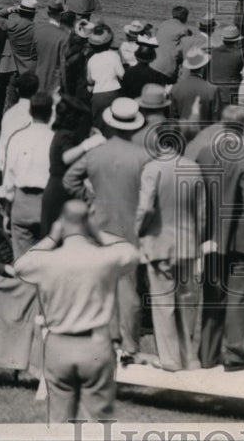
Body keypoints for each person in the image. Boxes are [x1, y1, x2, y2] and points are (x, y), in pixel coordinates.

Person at [14, 201, 139, 423]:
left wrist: (52, 238)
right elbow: (131, 252)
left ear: (62, 223)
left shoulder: (47, 260)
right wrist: (99, 234)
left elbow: (21, 265)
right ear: (87, 223)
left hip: (58, 344)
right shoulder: (103, 258)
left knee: (60, 422)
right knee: (98, 424)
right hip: (95, 343)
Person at [62, 98, 150, 364]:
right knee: (128, 286)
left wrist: (90, 201)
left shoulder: (96, 153)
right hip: (130, 226)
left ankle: (108, 337)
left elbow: (69, 179)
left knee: (103, 284)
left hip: (100, 224)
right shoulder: (143, 156)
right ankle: (130, 343)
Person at [195, 106, 244, 371]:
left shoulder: (204, 154)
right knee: (239, 297)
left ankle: (208, 354)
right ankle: (234, 353)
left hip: (211, 237)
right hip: (241, 239)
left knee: (212, 296)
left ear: (222, 125)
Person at [136, 123, 204, 371]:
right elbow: (202, 212)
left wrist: (139, 232)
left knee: (163, 302)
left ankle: (170, 358)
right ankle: (190, 357)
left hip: (160, 242)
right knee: (186, 301)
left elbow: (146, 207)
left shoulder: (152, 169)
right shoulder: (193, 168)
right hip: (187, 243)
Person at [1, 92, 56, 258]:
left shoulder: (18, 138)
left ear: (30, 112)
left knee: (23, 262)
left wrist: (6, 211)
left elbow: (9, 179)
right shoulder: (56, 139)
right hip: (48, 203)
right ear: (51, 113)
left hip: (22, 202)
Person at [41, 96, 93, 237]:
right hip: (60, 189)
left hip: (55, 188)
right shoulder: (66, 135)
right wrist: (88, 144)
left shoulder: (60, 133)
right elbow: (66, 157)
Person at [0, 71, 40, 175]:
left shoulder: (8, 115)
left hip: (8, 169)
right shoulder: (37, 115)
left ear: (18, 90)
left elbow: (2, 148)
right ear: (37, 91)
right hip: (29, 171)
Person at [170, 47, 222, 128]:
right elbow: (216, 121)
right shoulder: (212, 90)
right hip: (204, 137)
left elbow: (172, 118)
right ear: (204, 67)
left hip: (183, 135)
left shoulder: (175, 88)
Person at [86, 24, 124, 133]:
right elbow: (122, 75)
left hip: (97, 95)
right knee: (114, 125)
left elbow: (90, 80)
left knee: (98, 126)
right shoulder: (114, 56)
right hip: (113, 93)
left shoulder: (91, 60)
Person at [33, 0, 68, 97]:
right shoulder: (64, 36)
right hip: (55, 82)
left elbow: (32, 55)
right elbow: (63, 63)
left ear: (48, 13)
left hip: (38, 77)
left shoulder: (37, 30)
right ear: (61, 14)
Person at [151, 5, 193, 84]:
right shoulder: (184, 29)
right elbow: (184, 50)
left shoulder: (163, 24)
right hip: (167, 69)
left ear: (172, 15)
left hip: (153, 63)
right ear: (185, 17)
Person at [207, 26, 244, 107]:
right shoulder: (239, 55)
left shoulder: (213, 51)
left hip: (212, 92)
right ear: (237, 41)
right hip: (229, 94)